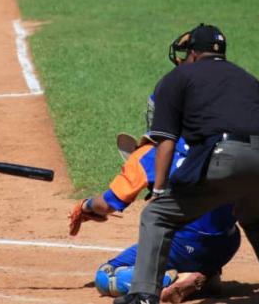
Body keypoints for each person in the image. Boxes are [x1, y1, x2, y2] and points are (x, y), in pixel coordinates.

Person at [116, 24, 259, 304]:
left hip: (227, 156)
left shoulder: (179, 76)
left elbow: (166, 141)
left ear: (195, 54)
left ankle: (143, 296)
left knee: (157, 216)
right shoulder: (250, 80)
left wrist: (160, 189)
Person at [70, 99, 240, 304]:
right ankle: (206, 274)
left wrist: (86, 205)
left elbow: (106, 205)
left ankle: (172, 279)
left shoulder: (151, 152)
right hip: (227, 245)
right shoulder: (223, 145)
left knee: (106, 276)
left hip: (183, 245)